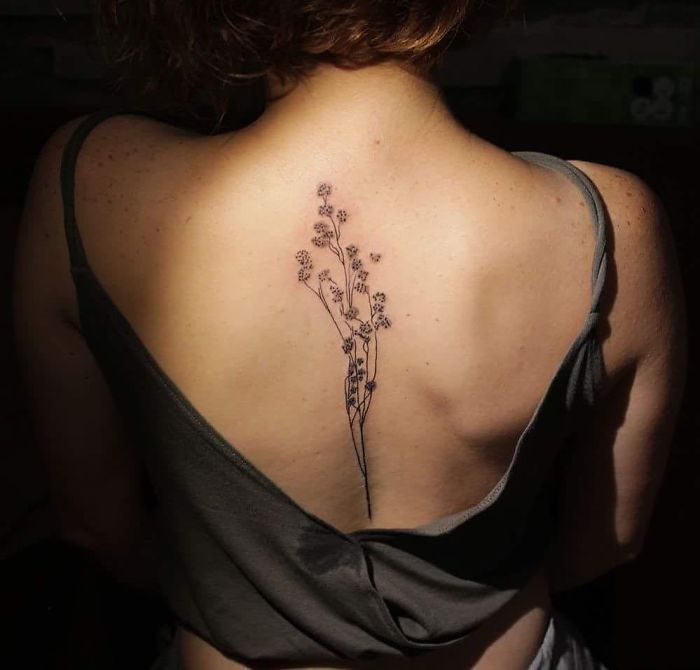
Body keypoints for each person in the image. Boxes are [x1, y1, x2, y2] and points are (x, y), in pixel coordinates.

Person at [12, 1, 687, 669]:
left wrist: (244, 596)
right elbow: (610, 542)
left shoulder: (92, 184)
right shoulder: (608, 225)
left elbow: (98, 528)